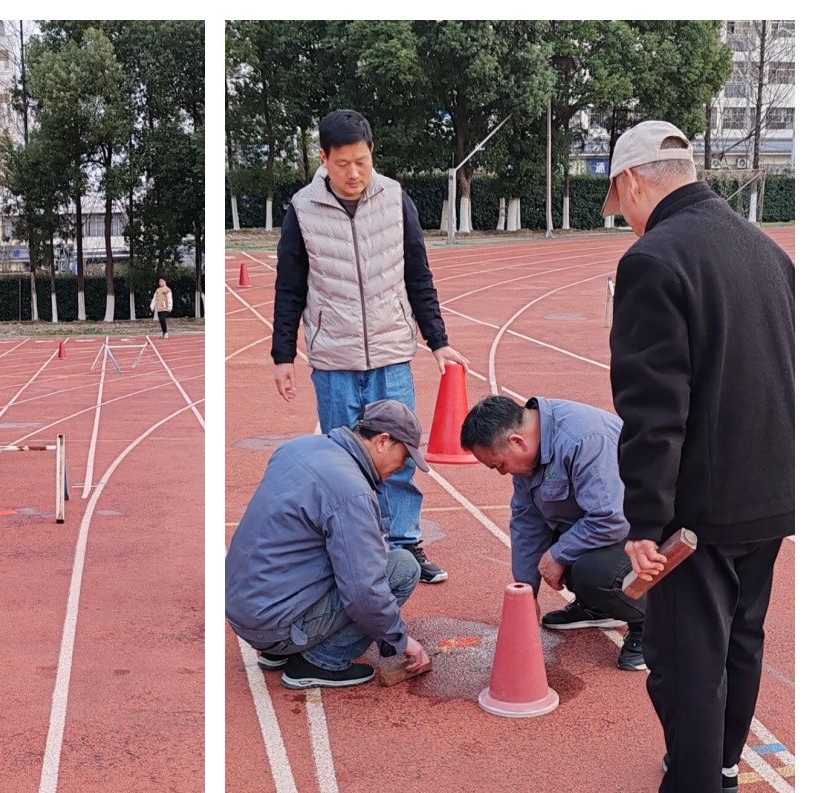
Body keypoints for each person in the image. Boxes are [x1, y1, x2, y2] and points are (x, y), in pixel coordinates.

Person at [604, 120, 794, 793]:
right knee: (742, 636)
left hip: (700, 506)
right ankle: (719, 769)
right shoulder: (768, 252)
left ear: (632, 180)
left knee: (687, 654)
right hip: (770, 488)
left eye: (618, 201)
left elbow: (654, 407)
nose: (623, 217)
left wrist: (644, 521)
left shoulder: (654, 259)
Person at [272, 109, 471, 587]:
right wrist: (283, 356)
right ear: (324, 158)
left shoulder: (396, 199)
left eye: (362, 161)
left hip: (391, 353)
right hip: (334, 359)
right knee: (343, 463)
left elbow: (418, 275)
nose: (354, 173)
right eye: (343, 164)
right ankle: (354, 550)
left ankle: (405, 543)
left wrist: (438, 341)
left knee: (399, 453)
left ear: (372, 153)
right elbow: (290, 288)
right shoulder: (302, 209)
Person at [226, 399, 433, 690]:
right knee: (403, 568)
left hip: (243, 608)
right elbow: (365, 591)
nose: (401, 467)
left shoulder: (298, 447)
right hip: (273, 625)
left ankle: (278, 651)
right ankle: (320, 661)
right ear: (383, 441)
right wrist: (400, 639)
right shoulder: (352, 492)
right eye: (404, 457)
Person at [461, 394, 645, 671]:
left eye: (499, 465)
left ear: (517, 441)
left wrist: (558, 554)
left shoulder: (584, 440)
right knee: (553, 548)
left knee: (592, 571)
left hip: (649, 529)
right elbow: (526, 522)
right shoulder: (529, 457)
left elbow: (612, 519)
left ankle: (651, 624)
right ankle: (598, 607)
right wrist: (526, 594)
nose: (502, 473)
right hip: (611, 527)